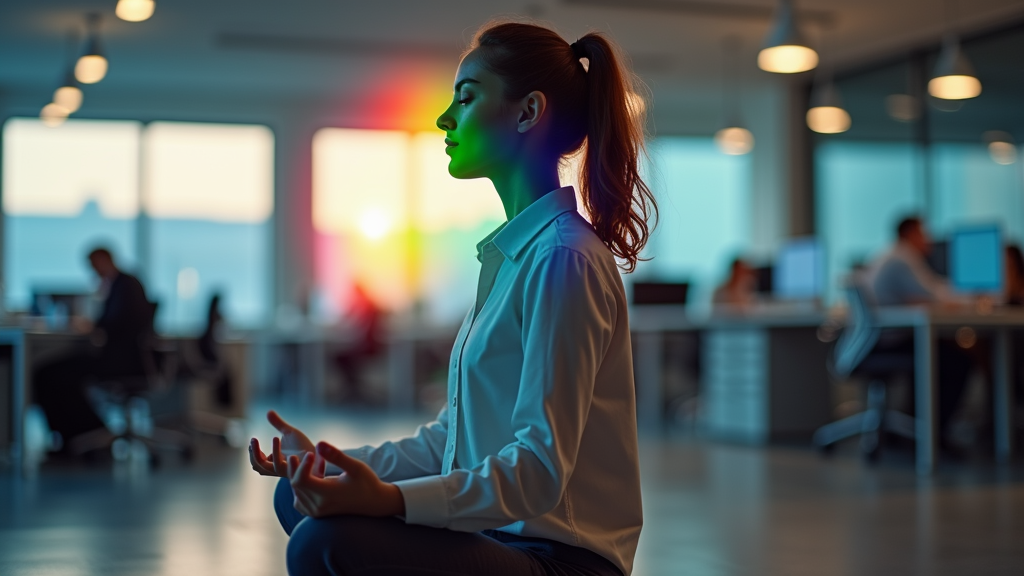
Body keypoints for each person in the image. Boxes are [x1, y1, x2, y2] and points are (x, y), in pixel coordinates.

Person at [249, 21, 655, 576]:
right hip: (501, 535)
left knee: (322, 541)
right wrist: (329, 462)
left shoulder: (563, 260)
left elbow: (538, 470)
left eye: (466, 97)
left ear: (527, 112)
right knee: (298, 495)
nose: (445, 117)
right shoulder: (514, 257)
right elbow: (450, 438)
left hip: (561, 558)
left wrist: (390, 501)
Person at [862, 216, 973, 453]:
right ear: (911, 234)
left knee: (937, 351)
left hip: (875, 343)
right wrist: (969, 295)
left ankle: (914, 430)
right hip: (888, 343)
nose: (929, 239)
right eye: (925, 233)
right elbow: (933, 295)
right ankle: (934, 434)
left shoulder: (887, 255)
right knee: (957, 362)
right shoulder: (902, 260)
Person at [33, 247, 153, 453]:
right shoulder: (121, 284)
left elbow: (118, 324)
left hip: (120, 360)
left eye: (94, 264)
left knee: (49, 374)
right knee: (58, 374)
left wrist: (93, 326)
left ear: (104, 259)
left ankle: (78, 435)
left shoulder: (125, 285)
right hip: (123, 357)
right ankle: (83, 433)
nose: (93, 270)